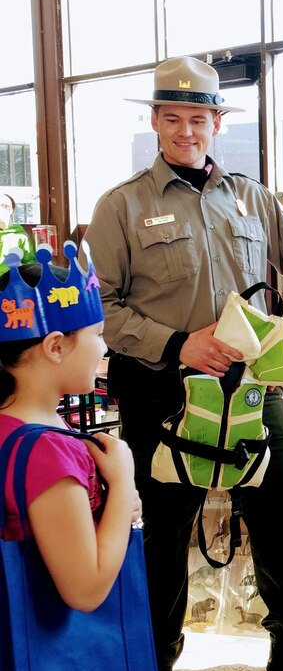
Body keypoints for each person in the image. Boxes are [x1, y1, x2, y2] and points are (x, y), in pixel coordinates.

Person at [84, 56, 283, 671]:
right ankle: (155, 656)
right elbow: (99, 305)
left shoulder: (250, 197)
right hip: (162, 389)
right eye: (174, 117)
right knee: (165, 526)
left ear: (217, 123)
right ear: (156, 122)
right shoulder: (121, 206)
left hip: (250, 391)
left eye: (199, 118)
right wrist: (178, 344)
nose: (187, 130)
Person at [0, 247, 142, 613]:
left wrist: (116, 506)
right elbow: (86, 590)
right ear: (56, 346)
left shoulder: (23, 424)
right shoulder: (47, 449)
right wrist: (124, 480)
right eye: (97, 334)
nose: (104, 347)